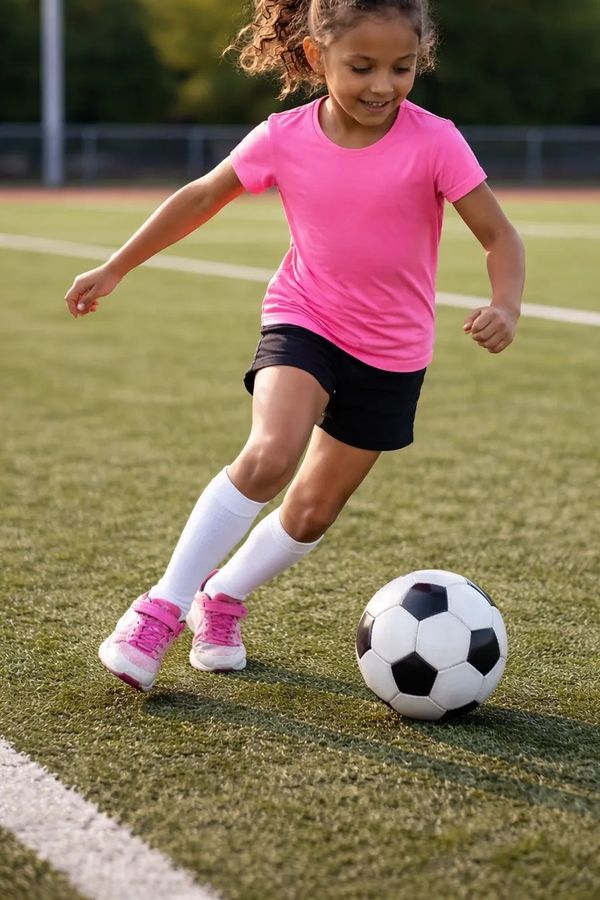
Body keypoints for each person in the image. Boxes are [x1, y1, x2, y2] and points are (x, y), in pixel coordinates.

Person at [64, 0, 525, 693]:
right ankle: (159, 609)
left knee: (311, 513)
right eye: (362, 67)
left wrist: (506, 304)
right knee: (270, 453)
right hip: (304, 318)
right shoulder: (283, 136)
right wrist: (117, 265)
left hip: (393, 351)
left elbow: (499, 236)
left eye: (402, 68)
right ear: (317, 56)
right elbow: (201, 196)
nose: (383, 85)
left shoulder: (436, 141)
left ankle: (224, 596)